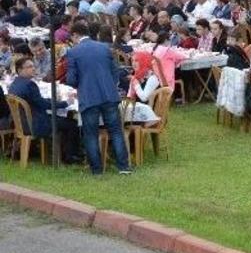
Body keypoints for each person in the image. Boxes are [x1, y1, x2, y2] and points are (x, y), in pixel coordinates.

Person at [65, 22, 130, 175]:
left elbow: (71, 80)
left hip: (88, 96)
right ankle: (124, 167)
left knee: (91, 134)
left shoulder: (73, 52)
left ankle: (97, 170)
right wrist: (110, 84)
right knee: (116, 131)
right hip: (109, 94)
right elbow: (116, 70)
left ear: (75, 35)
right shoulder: (104, 47)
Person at [8, 57, 81, 164]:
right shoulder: (29, 84)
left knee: (64, 121)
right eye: (29, 67)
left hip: (22, 124)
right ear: (19, 70)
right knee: (72, 124)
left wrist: (53, 100)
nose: (33, 69)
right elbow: (44, 105)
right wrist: (66, 103)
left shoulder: (15, 83)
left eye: (33, 66)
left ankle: (65, 153)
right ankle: (71, 156)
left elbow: (38, 101)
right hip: (35, 124)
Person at [126, 51, 161, 126]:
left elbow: (144, 98)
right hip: (138, 110)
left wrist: (135, 83)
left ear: (144, 61)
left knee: (119, 121)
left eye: (137, 61)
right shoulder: (138, 76)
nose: (133, 63)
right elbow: (129, 96)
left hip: (149, 114)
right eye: (132, 61)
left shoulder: (152, 77)